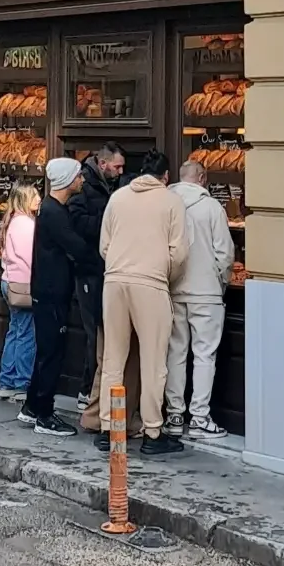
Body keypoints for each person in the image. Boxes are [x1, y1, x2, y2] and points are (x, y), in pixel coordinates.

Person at [97, 150, 188, 456]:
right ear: (166, 176)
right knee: (153, 362)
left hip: (114, 281)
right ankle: (152, 431)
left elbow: (104, 246)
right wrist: (164, 275)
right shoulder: (171, 201)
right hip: (150, 282)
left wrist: (119, 266)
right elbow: (179, 253)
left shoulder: (118, 198)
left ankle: (109, 427)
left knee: (113, 358)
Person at [19, 157, 98, 437]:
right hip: (51, 292)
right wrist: (103, 260)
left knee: (46, 352)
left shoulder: (51, 209)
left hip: (47, 290)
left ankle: (32, 406)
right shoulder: (54, 212)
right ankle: (45, 415)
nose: (82, 180)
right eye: (78, 176)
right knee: (52, 354)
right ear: (66, 180)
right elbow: (76, 247)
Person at [67, 142, 138, 437]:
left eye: (123, 168)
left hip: (110, 272)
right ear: (103, 163)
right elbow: (76, 222)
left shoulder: (116, 185)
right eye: (117, 166)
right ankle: (88, 394)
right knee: (96, 333)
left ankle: (96, 402)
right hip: (90, 272)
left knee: (105, 336)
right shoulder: (83, 186)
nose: (120, 172)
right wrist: (109, 221)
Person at [166, 160, 235, 441]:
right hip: (206, 291)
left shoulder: (168, 204)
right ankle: (199, 417)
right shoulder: (212, 207)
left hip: (173, 289)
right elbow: (225, 254)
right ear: (203, 178)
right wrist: (221, 282)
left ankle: (173, 415)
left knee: (175, 353)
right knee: (205, 355)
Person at [0, 182, 38, 395]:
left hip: (10, 281)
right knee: (26, 333)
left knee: (15, 330)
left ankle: (7, 380)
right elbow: (31, 257)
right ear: (24, 200)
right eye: (34, 195)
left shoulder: (12, 220)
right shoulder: (25, 224)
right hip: (23, 284)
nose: (39, 199)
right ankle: (22, 382)